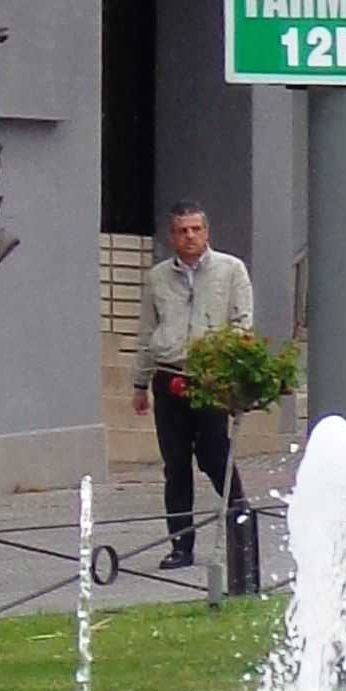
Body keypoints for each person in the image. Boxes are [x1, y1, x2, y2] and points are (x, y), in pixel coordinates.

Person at [133, 201, 253, 571]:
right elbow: (145, 332)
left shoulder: (231, 271)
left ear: (207, 233)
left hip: (210, 376)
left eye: (195, 230)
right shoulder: (157, 278)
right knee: (176, 464)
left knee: (215, 455)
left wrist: (227, 369)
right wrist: (140, 383)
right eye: (182, 231)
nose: (189, 236)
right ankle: (180, 544)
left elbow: (242, 323)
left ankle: (240, 519)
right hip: (169, 375)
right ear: (172, 236)